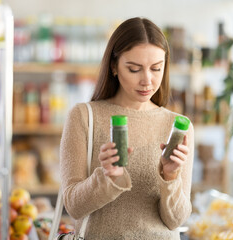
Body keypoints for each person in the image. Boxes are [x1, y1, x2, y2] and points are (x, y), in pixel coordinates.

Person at [59, 17, 194, 239]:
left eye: (156, 69)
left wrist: (170, 176)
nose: (147, 81)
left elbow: (176, 220)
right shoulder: (84, 116)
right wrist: (107, 177)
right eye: (134, 69)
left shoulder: (178, 127)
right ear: (114, 66)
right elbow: (74, 206)